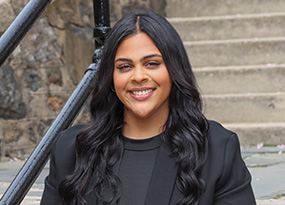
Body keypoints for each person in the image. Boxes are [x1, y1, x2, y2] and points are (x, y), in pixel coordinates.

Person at [41, 10, 256, 205]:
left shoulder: (217, 149)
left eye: (152, 63)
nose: (138, 76)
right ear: (111, 77)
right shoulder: (71, 149)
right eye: (124, 67)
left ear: (174, 69)